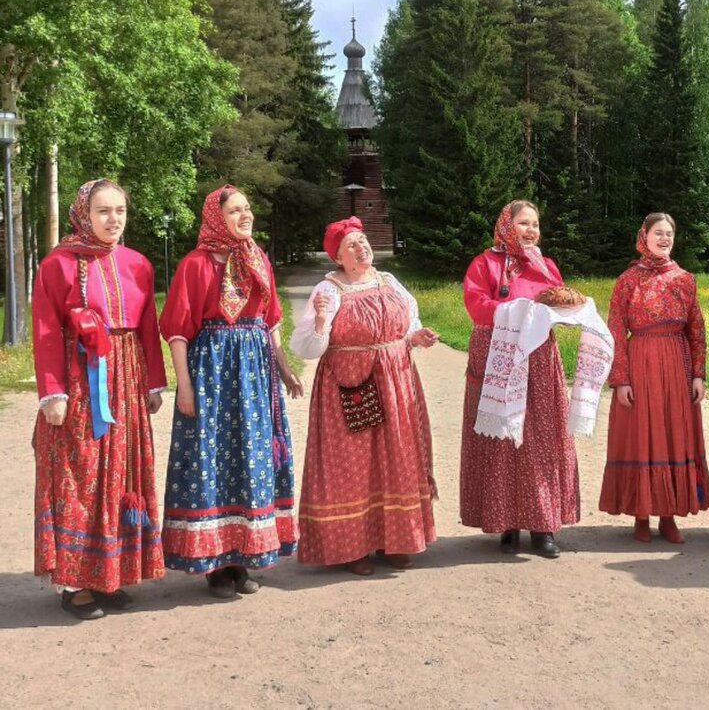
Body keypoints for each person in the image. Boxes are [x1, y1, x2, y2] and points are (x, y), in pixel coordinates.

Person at [31, 179, 168, 619]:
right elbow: (47, 330)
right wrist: (52, 392)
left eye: (120, 211)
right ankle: (75, 582)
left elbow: (148, 327)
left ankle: (110, 573)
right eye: (104, 211)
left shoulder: (138, 264)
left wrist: (153, 383)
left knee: (121, 472)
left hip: (126, 379)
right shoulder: (58, 265)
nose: (114, 220)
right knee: (81, 470)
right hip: (79, 380)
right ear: (83, 215)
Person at [159, 185, 302, 597]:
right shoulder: (195, 264)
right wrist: (184, 386)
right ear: (215, 217)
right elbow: (178, 332)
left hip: (255, 374)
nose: (246, 216)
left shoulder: (258, 259)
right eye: (235, 210)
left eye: (248, 208)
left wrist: (286, 370)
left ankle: (242, 557)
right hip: (213, 374)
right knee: (214, 458)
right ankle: (216, 566)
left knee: (251, 459)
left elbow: (270, 322)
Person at [291, 217, 439, 575]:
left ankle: (394, 540)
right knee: (351, 464)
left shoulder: (390, 282)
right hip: (348, 384)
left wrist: (416, 337)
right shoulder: (328, 290)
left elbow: (410, 323)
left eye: (363, 240)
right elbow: (306, 347)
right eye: (352, 245)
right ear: (338, 257)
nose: (362, 247)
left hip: (395, 381)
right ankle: (351, 546)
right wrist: (322, 323)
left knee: (396, 456)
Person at [459, 200, 579, 558]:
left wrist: (567, 309)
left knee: (541, 436)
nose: (531, 230)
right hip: (496, 351)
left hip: (539, 357)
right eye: (524, 223)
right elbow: (475, 304)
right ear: (507, 226)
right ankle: (505, 522)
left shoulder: (546, 265)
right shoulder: (484, 264)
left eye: (536, 224)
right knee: (500, 436)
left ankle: (543, 526)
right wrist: (514, 312)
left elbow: (558, 301)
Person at [599, 213, 709, 543]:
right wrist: (621, 379)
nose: (664, 238)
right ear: (643, 236)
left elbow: (697, 329)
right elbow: (616, 330)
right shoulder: (628, 280)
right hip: (641, 363)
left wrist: (698, 375)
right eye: (658, 233)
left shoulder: (685, 279)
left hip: (676, 364)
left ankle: (669, 515)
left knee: (674, 435)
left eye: (669, 233)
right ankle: (641, 515)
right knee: (642, 436)